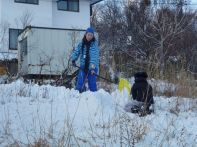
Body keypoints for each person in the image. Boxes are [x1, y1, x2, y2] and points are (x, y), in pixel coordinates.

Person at [71, 27, 99, 93]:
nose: (89, 36)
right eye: (88, 35)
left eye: (91, 35)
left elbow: (94, 58)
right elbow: (77, 51)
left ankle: (94, 97)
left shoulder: (94, 45)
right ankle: (78, 94)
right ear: (85, 34)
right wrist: (73, 59)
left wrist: (92, 68)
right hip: (83, 66)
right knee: (80, 81)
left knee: (92, 83)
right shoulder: (82, 43)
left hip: (92, 67)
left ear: (93, 36)